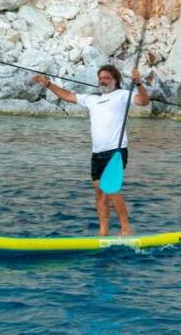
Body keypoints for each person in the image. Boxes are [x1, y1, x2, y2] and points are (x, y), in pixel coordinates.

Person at [32, 65, 149, 236]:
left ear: (115, 80)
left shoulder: (123, 95)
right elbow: (68, 96)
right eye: (100, 78)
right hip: (97, 153)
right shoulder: (92, 99)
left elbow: (144, 102)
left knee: (111, 190)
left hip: (115, 151)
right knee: (99, 194)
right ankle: (103, 232)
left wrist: (138, 84)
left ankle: (125, 229)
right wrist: (48, 84)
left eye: (107, 78)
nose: (103, 81)